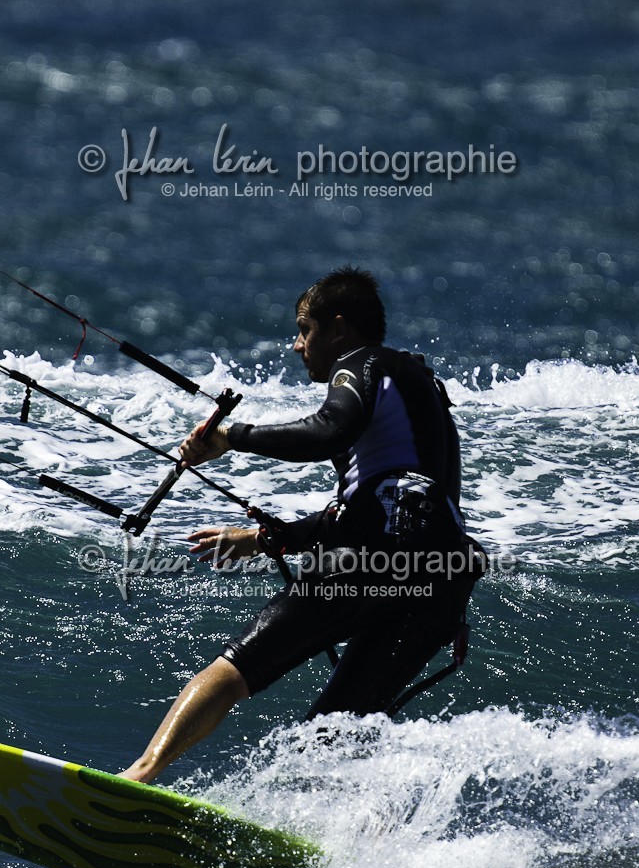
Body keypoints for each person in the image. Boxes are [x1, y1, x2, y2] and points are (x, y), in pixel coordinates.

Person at [120, 266, 486, 784]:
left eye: (304, 330)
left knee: (234, 669)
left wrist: (232, 437)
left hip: (377, 557)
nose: (297, 345)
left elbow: (328, 432)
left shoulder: (360, 365)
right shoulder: (419, 394)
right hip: (441, 580)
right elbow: (379, 508)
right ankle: (354, 843)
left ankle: (138, 777)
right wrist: (262, 538)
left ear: (337, 329)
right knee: (337, 732)